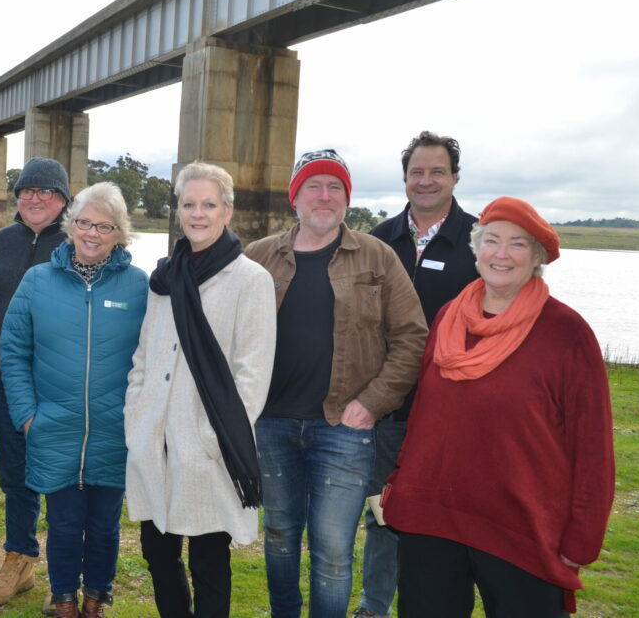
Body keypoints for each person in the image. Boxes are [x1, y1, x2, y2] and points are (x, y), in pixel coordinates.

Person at [383, 196, 615, 618]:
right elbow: (425, 416)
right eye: (491, 240)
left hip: (519, 525)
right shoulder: (449, 317)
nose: (501, 254)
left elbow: (592, 446)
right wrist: (401, 480)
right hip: (431, 516)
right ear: (477, 249)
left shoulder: (566, 333)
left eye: (517, 244)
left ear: (538, 257)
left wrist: (583, 536)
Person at [244, 149, 427, 618]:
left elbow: (411, 337)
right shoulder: (258, 256)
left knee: (332, 549)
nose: (324, 196)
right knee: (279, 534)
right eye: (313, 186)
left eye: (334, 188)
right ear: (295, 197)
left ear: (347, 198)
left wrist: (373, 402)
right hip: (271, 424)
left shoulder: (377, 256)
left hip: (344, 428)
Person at [125, 162, 276, 618]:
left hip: (208, 445)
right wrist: (136, 417)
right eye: (189, 204)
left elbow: (252, 373)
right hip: (156, 437)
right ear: (178, 210)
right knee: (157, 551)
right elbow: (144, 356)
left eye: (209, 204)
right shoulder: (164, 278)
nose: (198, 214)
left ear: (227, 211)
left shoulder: (251, 280)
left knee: (209, 559)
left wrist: (213, 439)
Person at [0, 181, 148, 618]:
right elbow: (14, 351)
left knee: (104, 526)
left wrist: (137, 416)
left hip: (113, 430)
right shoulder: (37, 281)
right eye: (84, 222)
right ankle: (64, 600)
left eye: (105, 226)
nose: (92, 233)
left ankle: (95, 602)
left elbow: (154, 355)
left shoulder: (139, 286)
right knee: (62, 524)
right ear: (70, 225)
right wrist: (28, 416)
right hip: (54, 428)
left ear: (119, 233)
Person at [352, 131, 479, 618]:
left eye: (437, 172)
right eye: (417, 172)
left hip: (453, 410)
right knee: (383, 510)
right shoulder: (378, 240)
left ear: (454, 178)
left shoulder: (479, 241)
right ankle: (374, 606)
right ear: (405, 178)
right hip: (389, 407)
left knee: (447, 516)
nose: (426, 181)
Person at [0, 157, 71, 612]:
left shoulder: (77, 242)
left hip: (59, 387)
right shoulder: (2, 241)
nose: (35, 198)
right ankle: (19, 560)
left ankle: (65, 574)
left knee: (64, 480)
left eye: (46, 191)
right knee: (16, 479)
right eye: (27, 191)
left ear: (64, 200)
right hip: (7, 384)